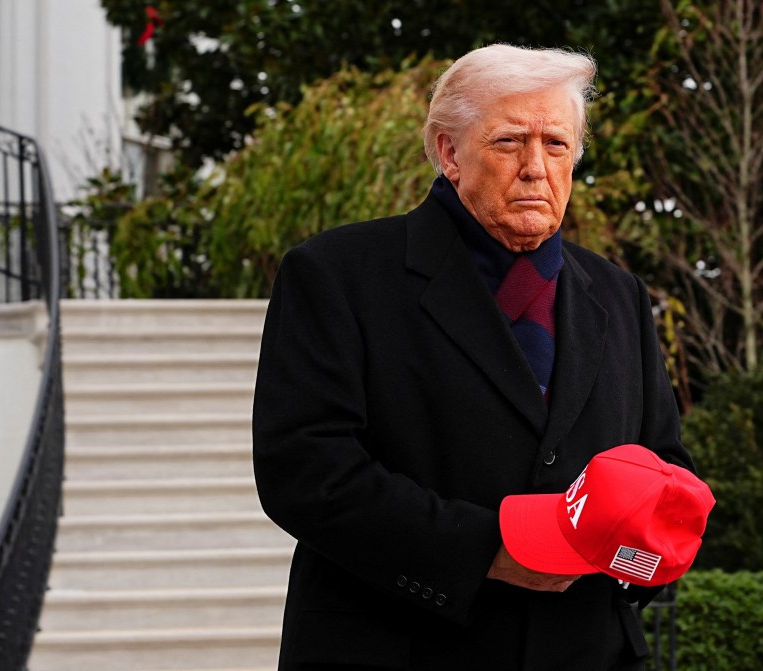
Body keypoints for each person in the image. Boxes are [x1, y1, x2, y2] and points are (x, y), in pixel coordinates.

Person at [252, 43, 698, 671]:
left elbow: (663, 465)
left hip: (585, 648)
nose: (536, 167)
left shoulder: (619, 294)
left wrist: (632, 564)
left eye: (557, 145)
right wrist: (487, 550)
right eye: (510, 142)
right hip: (398, 647)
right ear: (448, 152)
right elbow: (304, 470)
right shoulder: (336, 275)